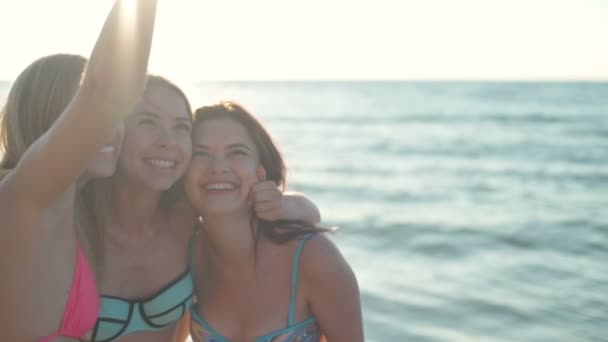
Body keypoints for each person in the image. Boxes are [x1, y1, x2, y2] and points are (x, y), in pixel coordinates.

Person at [81, 77, 322, 342]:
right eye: (148, 122)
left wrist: (280, 203)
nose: (168, 141)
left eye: (181, 127)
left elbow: (310, 213)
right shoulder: (77, 221)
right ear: (117, 131)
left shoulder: (184, 215)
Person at [0, 0, 157, 340]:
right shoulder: (25, 198)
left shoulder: (66, 208)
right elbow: (107, 89)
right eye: (90, 116)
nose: (113, 128)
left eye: (120, 119)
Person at [186, 102, 364, 342]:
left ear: (260, 173)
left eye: (236, 152)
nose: (218, 167)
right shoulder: (185, 253)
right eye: (200, 153)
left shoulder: (313, 257)